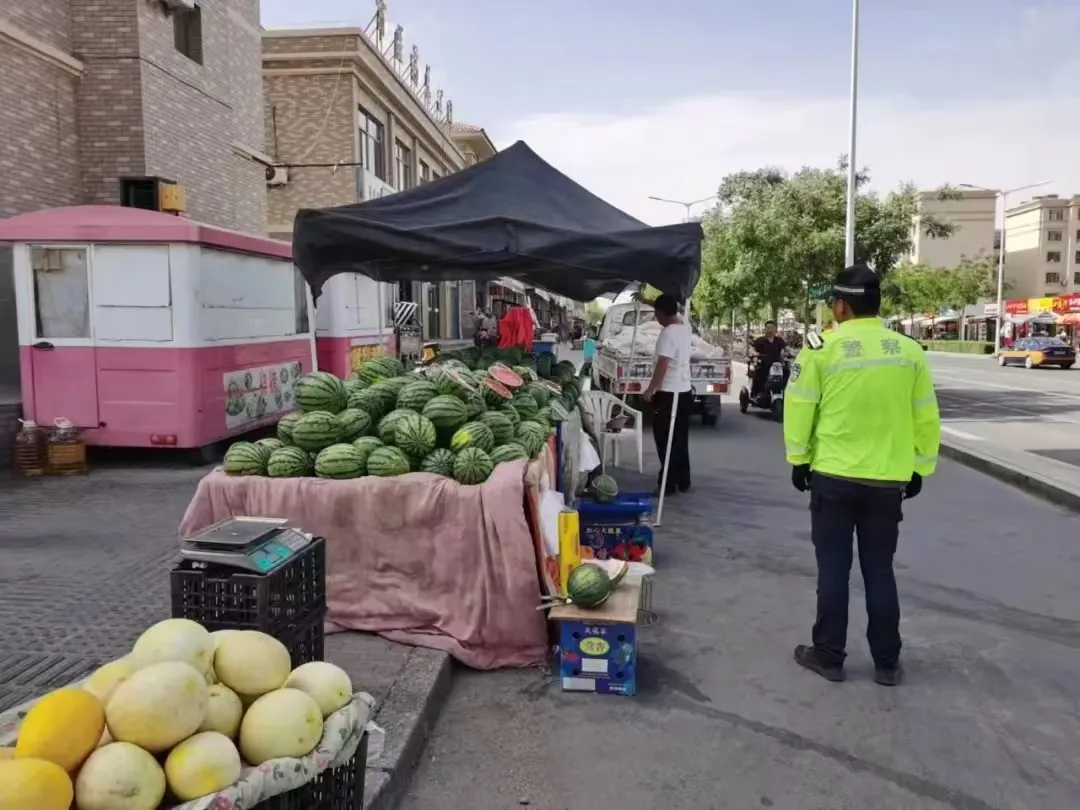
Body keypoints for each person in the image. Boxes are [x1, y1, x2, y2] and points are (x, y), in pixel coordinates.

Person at [783, 264, 940, 687]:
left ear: (841, 305)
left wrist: (798, 459)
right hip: (888, 482)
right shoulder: (908, 352)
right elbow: (926, 416)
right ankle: (887, 662)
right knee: (879, 570)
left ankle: (829, 655)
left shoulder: (821, 349)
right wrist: (920, 466)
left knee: (833, 568)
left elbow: (798, 405)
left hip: (833, 476)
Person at [642, 294, 693, 496]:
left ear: (662, 313)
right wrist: (647, 300)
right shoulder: (684, 329)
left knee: (665, 440)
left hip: (669, 393)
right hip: (684, 390)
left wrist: (651, 389)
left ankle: (668, 483)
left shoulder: (668, 333)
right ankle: (683, 479)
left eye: (656, 313)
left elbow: (663, 364)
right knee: (680, 438)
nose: (656, 318)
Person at [750, 320, 787, 397]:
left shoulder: (779, 340)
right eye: (768, 328)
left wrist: (791, 353)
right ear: (765, 329)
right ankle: (757, 394)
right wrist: (755, 353)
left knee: (787, 372)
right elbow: (752, 349)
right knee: (758, 373)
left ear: (775, 329)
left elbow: (786, 348)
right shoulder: (760, 340)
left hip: (777, 365)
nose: (770, 330)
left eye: (772, 328)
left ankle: (786, 392)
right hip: (764, 364)